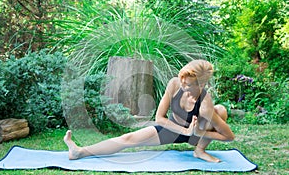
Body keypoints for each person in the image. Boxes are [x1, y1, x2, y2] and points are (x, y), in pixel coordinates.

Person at [64, 59, 235, 163]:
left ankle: (200, 150)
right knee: (128, 139)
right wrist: (184, 130)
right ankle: (80, 151)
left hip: (197, 135)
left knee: (220, 110)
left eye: (188, 84)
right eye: (182, 79)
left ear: (201, 85)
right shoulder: (175, 84)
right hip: (172, 128)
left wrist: (198, 132)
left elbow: (229, 137)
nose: (182, 85)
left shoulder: (205, 104)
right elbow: (160, 118)